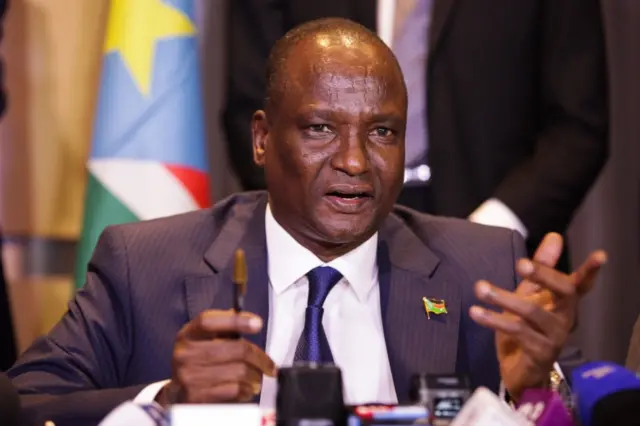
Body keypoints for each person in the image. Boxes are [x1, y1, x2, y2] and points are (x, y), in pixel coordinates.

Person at [8, 19, 605, 426]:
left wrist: (531, 390)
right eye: (321, 128)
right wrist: (167, 402)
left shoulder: (483, 268)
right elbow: (26, 404)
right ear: (263, 139)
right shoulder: (146, 265)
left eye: (382, 133)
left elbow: (594, 405)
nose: (353, 161)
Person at [222, 0, 609, 273]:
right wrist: (324, 230)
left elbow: (578, 126)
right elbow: (255, 109)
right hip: (322, 246)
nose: (357, 159)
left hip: (497, 252)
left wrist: (486, 239)